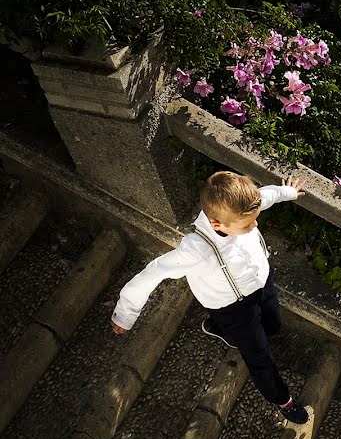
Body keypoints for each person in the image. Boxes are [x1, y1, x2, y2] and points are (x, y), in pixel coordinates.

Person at [110, 171, 310, 424]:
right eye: (247, 225)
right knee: (259, 357)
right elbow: (153, 273)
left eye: (255, 220)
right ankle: (283, 400)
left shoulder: (240, 206)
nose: (255, 226)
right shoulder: (196, 249)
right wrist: (125, 313)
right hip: (233, 307)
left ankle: (218, 328)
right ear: (217, 225)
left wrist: (287, 192)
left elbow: (265, 196)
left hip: (261, 283)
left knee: (273, 324)